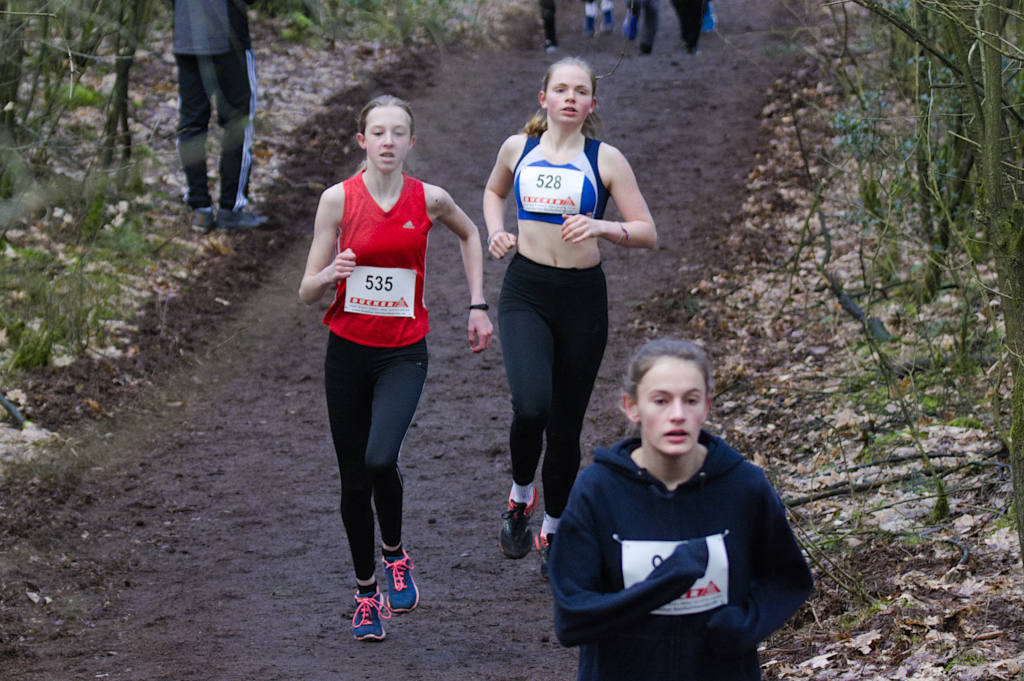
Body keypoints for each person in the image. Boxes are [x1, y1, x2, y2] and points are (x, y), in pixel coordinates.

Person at [299, 95, 493, 641]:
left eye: (398, 132)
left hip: (404, 353)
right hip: (347, 352)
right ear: (362, 141)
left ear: (412, 142)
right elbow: (305, 291)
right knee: (352, 480)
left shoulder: (429, 199)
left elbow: (471, 233)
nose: (388, 141)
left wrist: (477, 303)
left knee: (380, 458)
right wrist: (331, 274)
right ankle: (366, 593)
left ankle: (396, 553)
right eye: (378, 133)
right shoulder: (337, 201)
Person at [483, 56, 657, 579]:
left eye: (581, 91)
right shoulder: (518, 149)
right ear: (544, 98)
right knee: (531, 405)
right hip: (526, 290)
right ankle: (520, 499)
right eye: (561, 89)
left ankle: (553, 530)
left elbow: (646, 230)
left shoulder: (606, 160)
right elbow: (493, 192)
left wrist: (602, 228)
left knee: (565, 428)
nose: (570, 98)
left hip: (582, 298)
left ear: (591, 105)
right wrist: (496, 230)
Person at [548, 339, 813, 680]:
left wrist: (742, 627)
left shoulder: (743, 487)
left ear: (706, 407)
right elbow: (572, 619)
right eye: (661, 400)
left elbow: (787, 578)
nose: (677, 414)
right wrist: (667, 581)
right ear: (633, 407)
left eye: (691, 400)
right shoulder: (597, 491)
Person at [172, 0, 267, 232]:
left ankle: (200, 208)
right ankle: (230, 209)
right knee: (238, 124)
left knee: (191, 125)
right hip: (229, 39)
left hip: (187, 35)